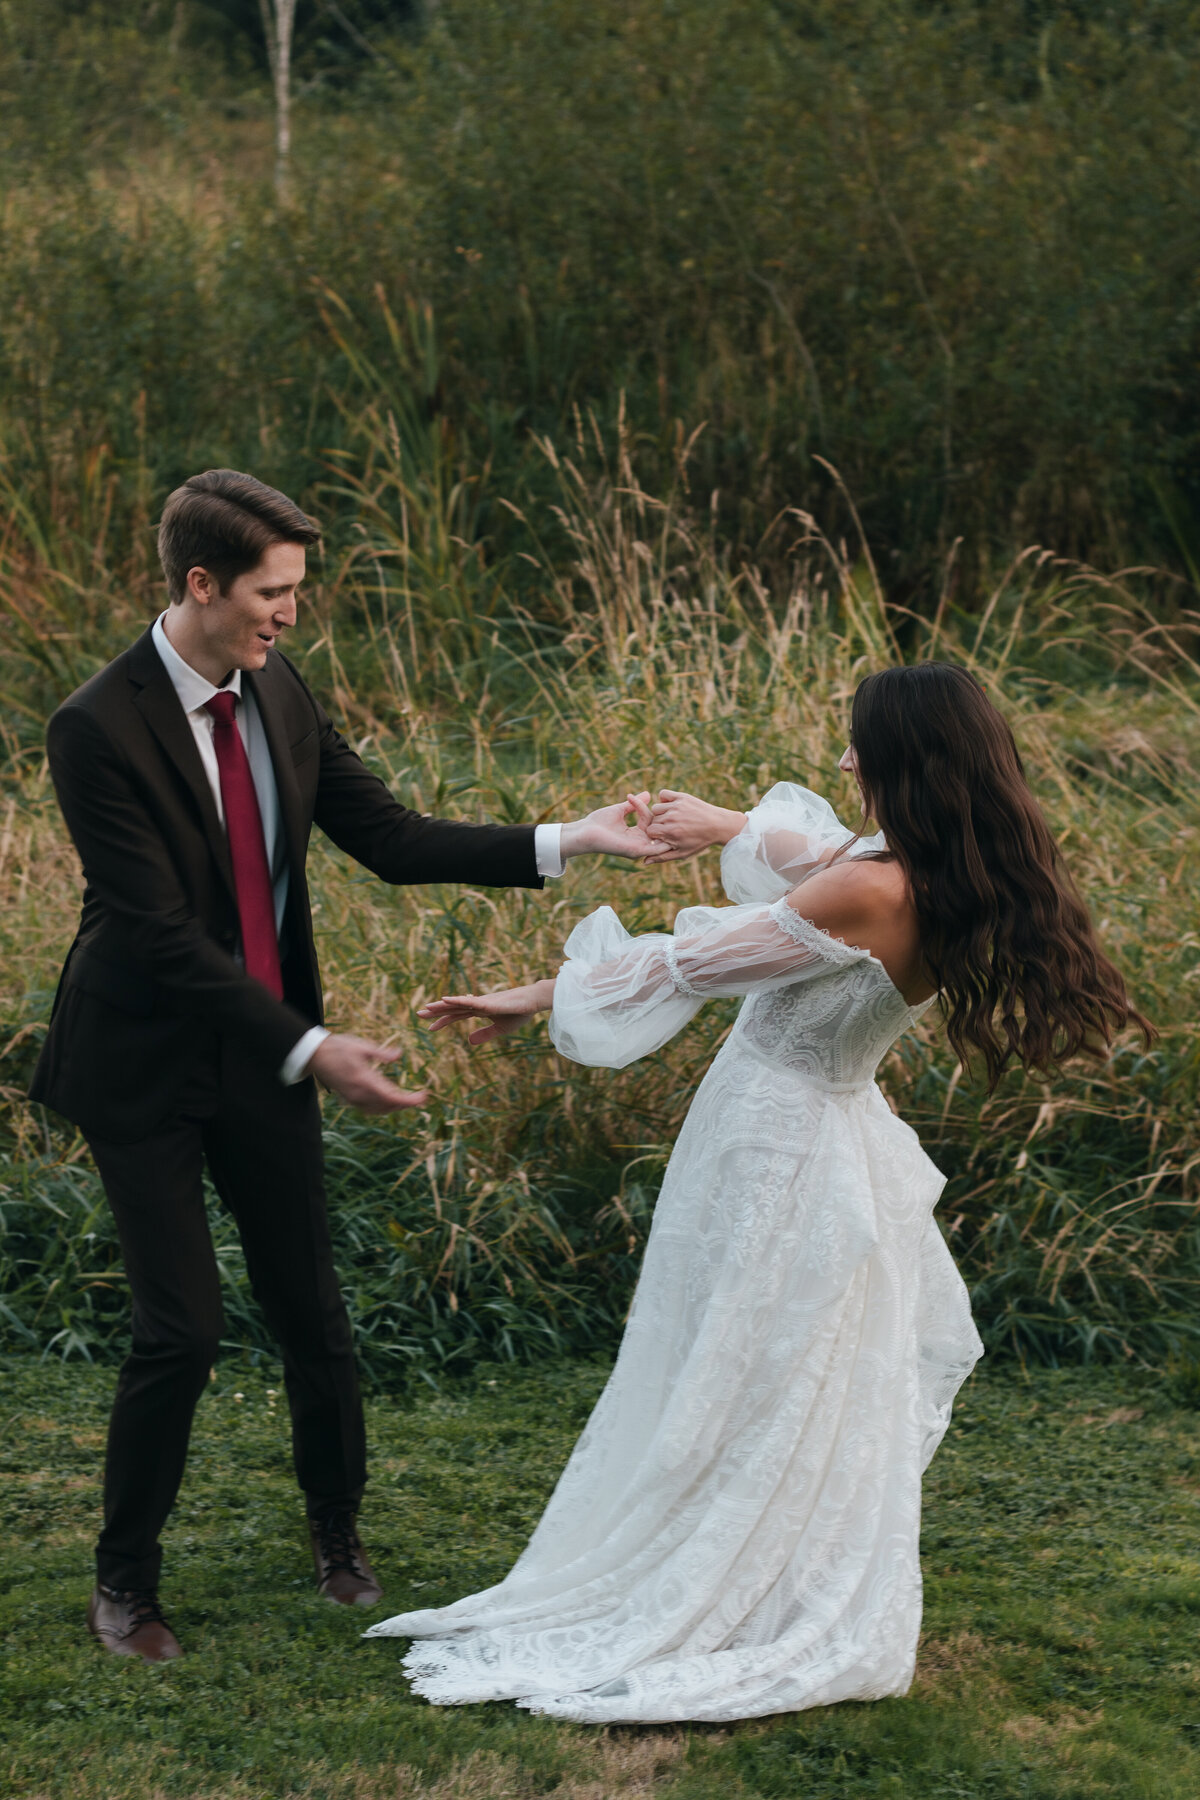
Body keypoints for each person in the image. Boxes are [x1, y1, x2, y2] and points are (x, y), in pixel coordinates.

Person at [366, 662, 1150, 1723]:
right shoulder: (929, 871)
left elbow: (693, 965)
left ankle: (720, 1585)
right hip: (830, 1132)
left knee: (736, 1363)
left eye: (856, 745)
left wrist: (538, 991)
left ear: (904, 760)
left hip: (774, 1144)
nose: (840, 760)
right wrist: (733, 819)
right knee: (780, 1368)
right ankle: (767, 1571)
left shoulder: (868, 890)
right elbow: (805, 851)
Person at [29, 468, 657, 1663]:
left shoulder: (277, 690)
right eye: (273, 592)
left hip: (264, 1056)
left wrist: (568, 839)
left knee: (312, 1310)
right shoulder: (95, 726)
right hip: (146, 1063)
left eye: (299, 590)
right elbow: (157, 931)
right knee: (183, 1331)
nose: (291, 614)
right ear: (201, 584)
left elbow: (387, 835)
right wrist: (313, 1047)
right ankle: (125, 1583)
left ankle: (336, 1534)